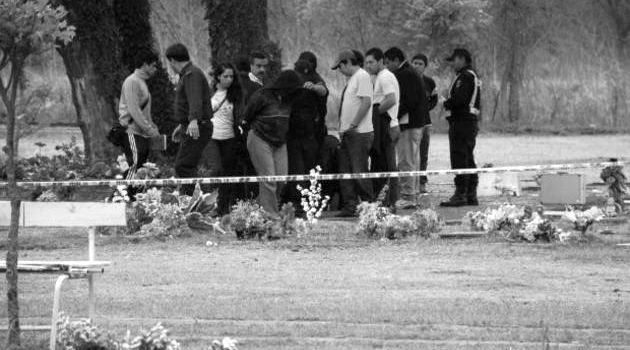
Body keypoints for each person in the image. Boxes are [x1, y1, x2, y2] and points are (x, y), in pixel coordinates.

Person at [242, 70, 302, 216]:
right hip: (259, 138)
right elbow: (246, 117)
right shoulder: (262, 96)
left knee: (281, 179)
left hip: (280, 142)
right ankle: (271, 217)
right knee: (269, 180)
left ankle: (255, 210)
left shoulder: (290, 100)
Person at [383, 47, 430, 209]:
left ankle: (408, 196)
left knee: (406, 160)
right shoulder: (409, 73)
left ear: (397, 60)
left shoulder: (404, 74)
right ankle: (413, 193)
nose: (387, 67)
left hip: (409, 124)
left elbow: (409, 101)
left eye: (388, 63)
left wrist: (392, 115)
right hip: (415, 123)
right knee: (413, 160)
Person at [283, 58, 329, 215]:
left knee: (303, 168)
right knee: (303, 168)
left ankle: (303, 202)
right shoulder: (296, 82)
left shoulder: (315, 82)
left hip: (306, 134)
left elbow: (324, 91)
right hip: (303, 134)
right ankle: (302, 202)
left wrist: (314, 87)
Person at [166, 43, 213, 196]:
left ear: (172, 60)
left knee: (183, 165)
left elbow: (195, 99)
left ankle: (197, 200)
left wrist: (193, 121)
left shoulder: (191, 75)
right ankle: (191, 198)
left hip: (197, 125)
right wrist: (183, 124)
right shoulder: (189, 74)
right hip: (192, 125)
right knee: (187, 164)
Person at [332, 50, 374, 217]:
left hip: (359, 133)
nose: (340, 70)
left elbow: (366, 102)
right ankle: (350, 206)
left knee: (359, 171)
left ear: (348, 62)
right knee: (346, 171)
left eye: (340, 66)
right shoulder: (352, 80)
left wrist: (353, 124)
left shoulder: (362, 76)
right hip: (348, 134)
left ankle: (369, 207)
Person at [440, 48, 481, 207]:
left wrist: (445, 102)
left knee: (459, 157)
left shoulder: (465, 77)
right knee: (468, 157)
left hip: (462, 122)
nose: (453, 64)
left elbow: (460, 100)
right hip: (467, 122)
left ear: (462, 59)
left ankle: (461, 194)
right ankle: (471, 194)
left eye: (454, 60)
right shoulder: (471, 76)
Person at [118, 49, 160, 199]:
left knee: (141, 166)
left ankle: (136, 197)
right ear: (145, 65)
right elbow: (134, 110)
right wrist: (149, 129)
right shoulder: (132, 81)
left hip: (141, 133)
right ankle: (126, 197)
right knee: (134, 165)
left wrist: (152, 126)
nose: (156, 69)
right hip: (132, 132)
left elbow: (143, 111)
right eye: (154, 66)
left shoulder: (141, 82)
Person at [364, 48, 400, 210]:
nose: (368, 65)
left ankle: (391, 200)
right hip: (385, 124)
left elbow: (391, 99)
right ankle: (388, 200)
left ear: (380, 61)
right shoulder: (379, 77)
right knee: (384, 164)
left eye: (371, 62)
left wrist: (375, 114)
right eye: (366, 62)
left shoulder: (385, 77)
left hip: (388, 124)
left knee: (387, 165)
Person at [210, 63, 244, 215]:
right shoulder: (209, 93)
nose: (229, 79)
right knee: (216, 170)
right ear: (218, 76)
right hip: (211, 137)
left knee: (228, 173)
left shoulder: (236, 95)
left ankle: (223, 208)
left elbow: (240, 115)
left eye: (231, 76)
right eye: (225, 76)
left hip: (230, 137)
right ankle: (211, 204)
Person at [412, 53, 438, 193]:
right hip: (410, 125)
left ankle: (422, 182)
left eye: (420, 63)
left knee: (423, 154)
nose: (417, 66)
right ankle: (409, 184)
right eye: (414, 63)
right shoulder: (406, 80)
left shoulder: (430, 82)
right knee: (410, 155)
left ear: (425, 66)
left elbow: (434, 99)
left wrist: (425, 108)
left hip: (425, 123)